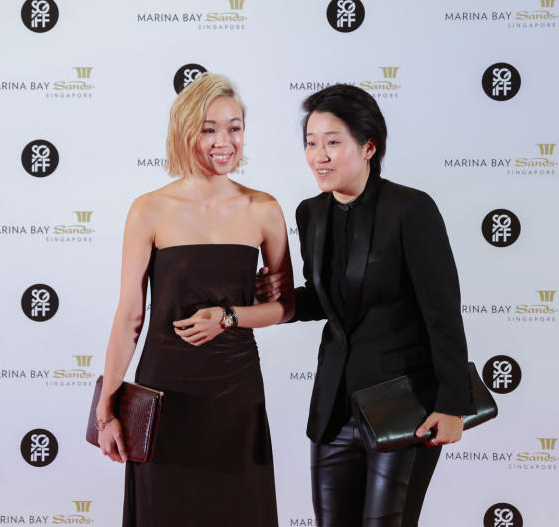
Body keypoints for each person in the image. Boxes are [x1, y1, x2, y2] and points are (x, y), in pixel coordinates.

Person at [258, 84, 475, 526]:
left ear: (368, 146)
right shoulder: (310, 213)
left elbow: (443, 312)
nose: (320, 155)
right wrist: (270, 300)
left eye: (333, 142)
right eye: (311, 143)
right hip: (334, 411)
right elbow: (327, 299)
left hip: (405, 406)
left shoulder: (411, 209)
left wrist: (453, 404)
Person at [96, 73, 294, 527]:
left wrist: (229, 317)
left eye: (235, 127)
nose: (225, 141)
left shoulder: (263, 208)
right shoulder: (149, 209)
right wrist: (107, 402)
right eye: (209, 129)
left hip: (236, 395)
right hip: (166, 393)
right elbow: (129, 315)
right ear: (185, 131)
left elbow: (285, 307)